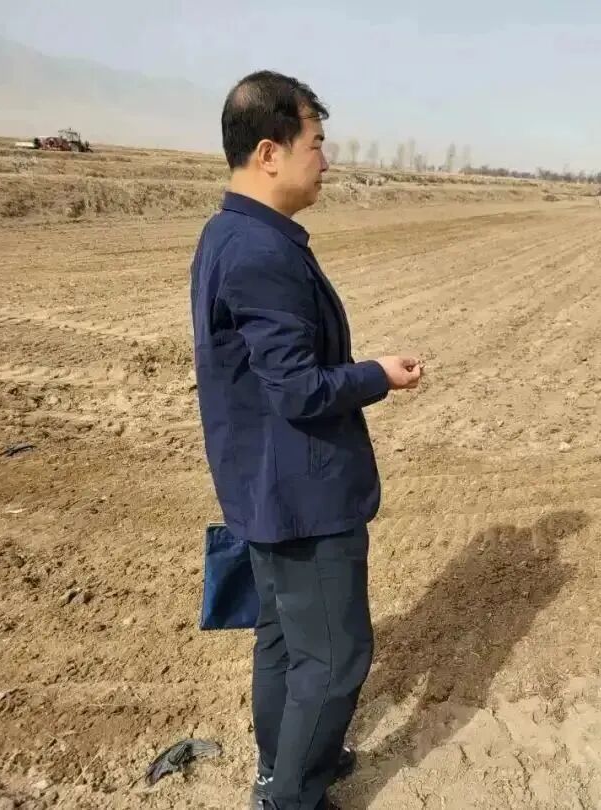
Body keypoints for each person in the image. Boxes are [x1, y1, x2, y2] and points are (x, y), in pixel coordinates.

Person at [189, 70, 423, 810]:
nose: (326, 160)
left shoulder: (230, 232)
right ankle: (290, 795)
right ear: (269, 152)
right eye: (316, 143)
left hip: (264, 484)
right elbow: (298, 389)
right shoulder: (260, 251)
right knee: (334, 656)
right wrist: (378, 374)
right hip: (301, 493)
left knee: (285, 640)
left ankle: (282, 763)